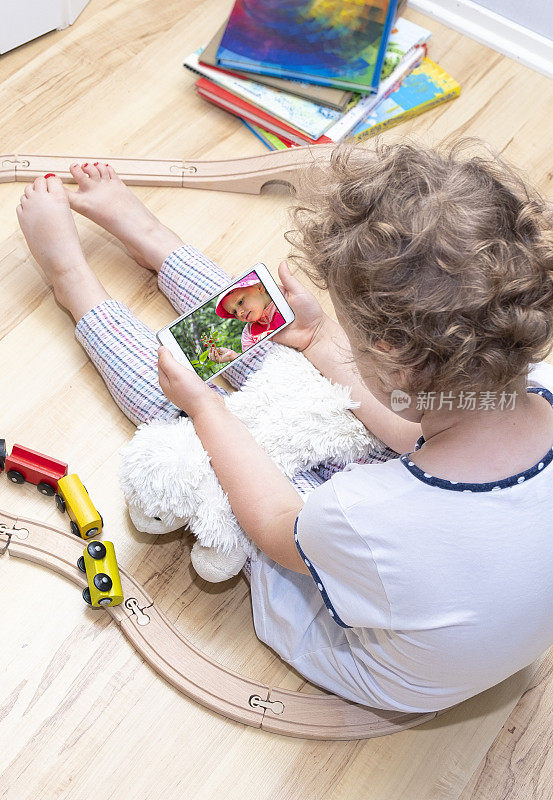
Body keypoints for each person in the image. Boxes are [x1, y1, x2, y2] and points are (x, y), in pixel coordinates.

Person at [15, 139, 553, 713]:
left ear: (393, 355)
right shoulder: (524, 389)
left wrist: (205, 409)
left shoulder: (365, 514)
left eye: (356, 338)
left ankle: (73, 283)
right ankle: (151, 239)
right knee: (277, 339)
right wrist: (323, 340)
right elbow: (416, 433)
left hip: (355, 644)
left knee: (196, 428)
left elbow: (274, 525)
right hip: (436, 577)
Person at [208, 273, 286, 365]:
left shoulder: (285, 299)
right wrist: (233, 356)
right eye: (234, 312)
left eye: (240, 302)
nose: (239, 313)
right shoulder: (248, 334)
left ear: (260, 287)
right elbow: (253, 362)